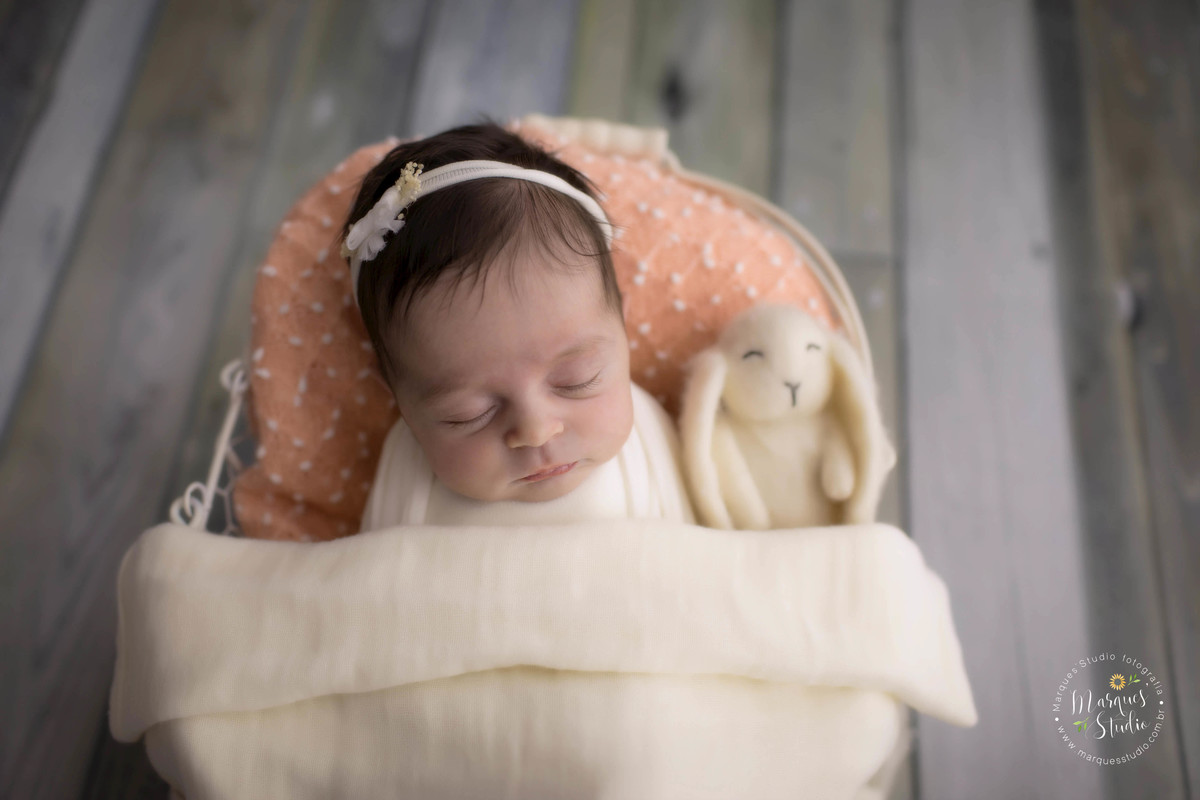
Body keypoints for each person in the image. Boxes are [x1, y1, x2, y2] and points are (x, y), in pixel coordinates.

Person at [339, 120, 694, 530]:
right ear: (397, 396)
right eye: (469, 414)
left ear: (624, 326)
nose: (536, 431)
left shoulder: (650, 435)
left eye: (577, 380)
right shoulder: (407, 473)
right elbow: (361, 585)